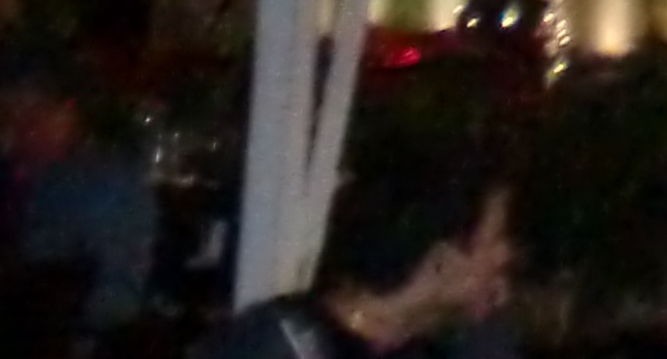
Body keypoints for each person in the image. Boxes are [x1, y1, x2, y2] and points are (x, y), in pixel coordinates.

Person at [190, 137, 513, 358]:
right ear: (441, 259)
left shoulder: (423, 347)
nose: (505, 256)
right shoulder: (281, 344)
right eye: (495, 239)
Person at [0, 43, 158, 345]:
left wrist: (39, 302)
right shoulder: (7, 176)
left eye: (31, 117)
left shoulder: (107, 186)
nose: (13, 133)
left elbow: (118, 301)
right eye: (5, 118)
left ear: (67, 113)